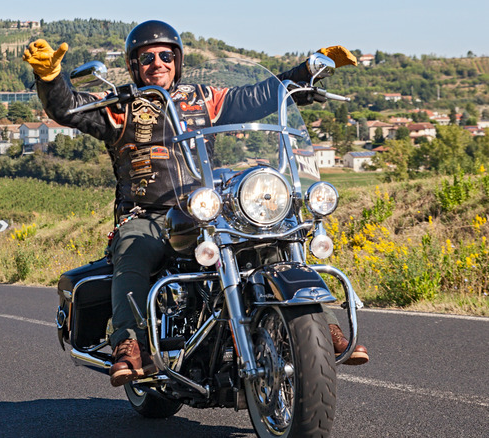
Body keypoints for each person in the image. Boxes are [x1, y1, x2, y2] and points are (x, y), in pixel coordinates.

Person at [24, 20, 368, 387]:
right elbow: (68, 108)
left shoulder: (205, 99)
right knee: (133, 250)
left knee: (270, 236)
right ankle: (130, 343)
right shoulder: (119, 106)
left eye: (165, 55)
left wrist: (307, 72)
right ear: (134, 65)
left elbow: (257, 96)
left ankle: (317, 325)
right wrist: (50, 78)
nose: (157, 62)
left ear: (178, 60)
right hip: (149, 214)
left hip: (207, 208)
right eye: (147, 57)